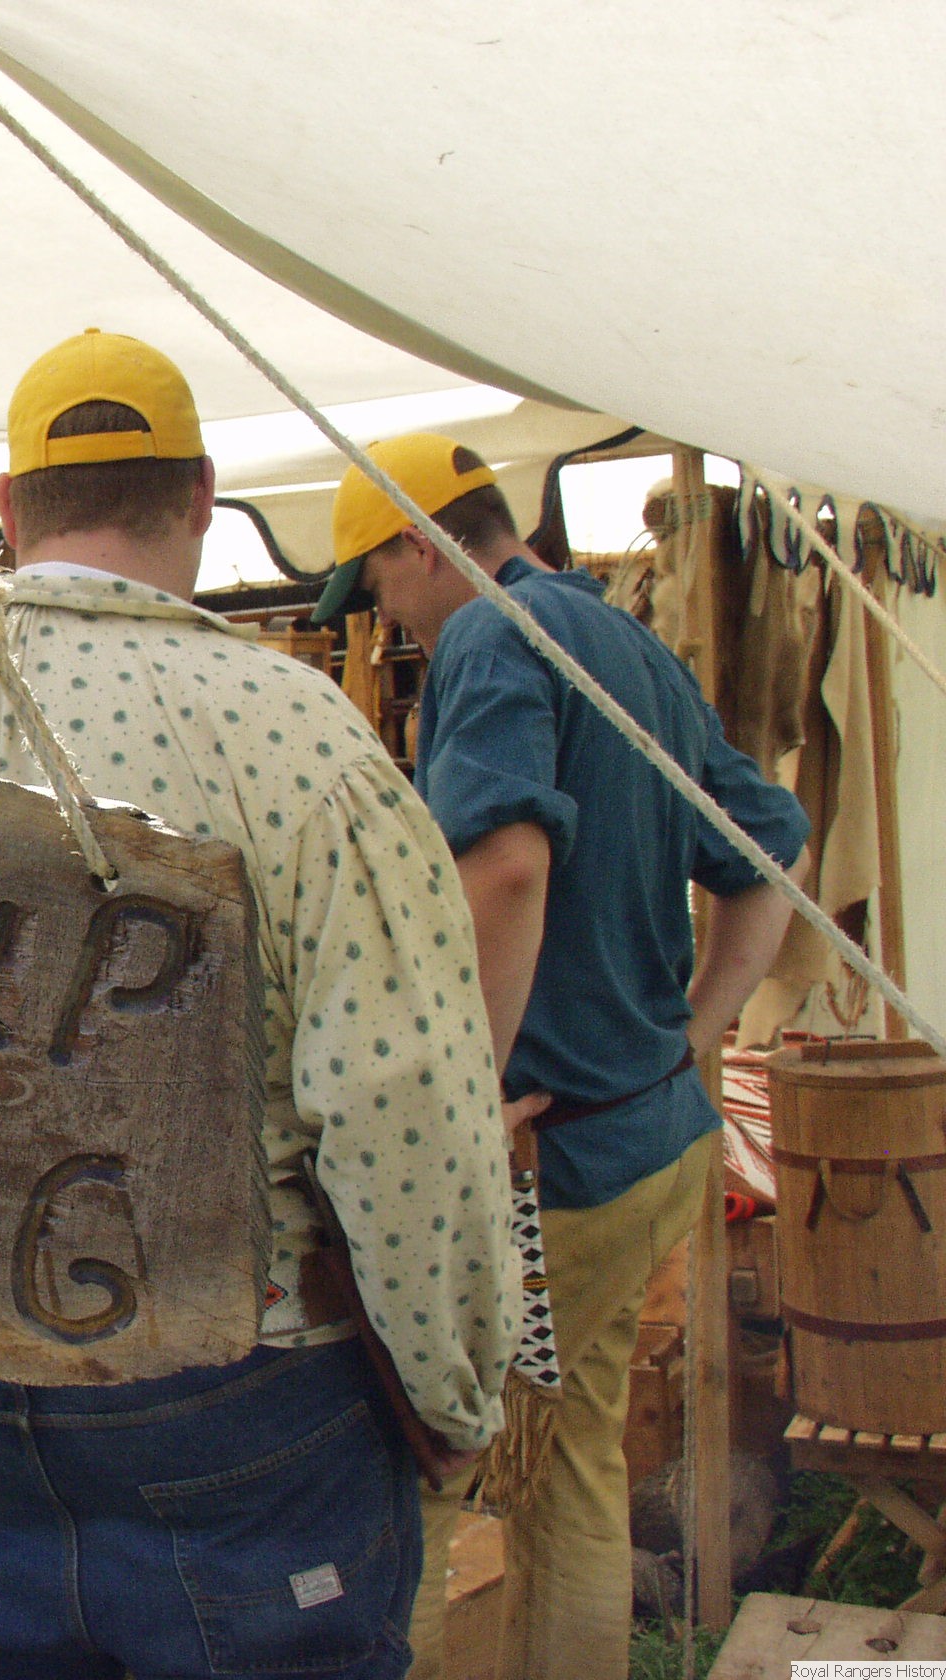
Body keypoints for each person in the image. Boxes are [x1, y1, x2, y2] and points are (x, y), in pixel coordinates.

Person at [0, 331, 519, 1680]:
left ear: (9, 509)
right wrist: (450, 1390)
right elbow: (406, 1113)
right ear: (199, 496)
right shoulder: (293, 736)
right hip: (239, 1399)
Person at [311, 436, 811, 1680]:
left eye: (377, 585)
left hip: (552, 1171)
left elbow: (506, 865)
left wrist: (463, 1103)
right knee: (571, 1469)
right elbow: (770, 850)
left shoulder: (488, 635)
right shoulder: (624, 643)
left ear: (419, 543)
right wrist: (691, 1037)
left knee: (423, 1478)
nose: (385, 617)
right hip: (650, 1143)